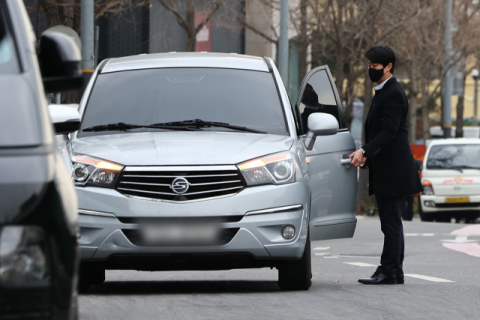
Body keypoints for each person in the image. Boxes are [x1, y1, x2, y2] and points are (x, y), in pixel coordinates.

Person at [349, 46, 423, 285]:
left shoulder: (392, 93)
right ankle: (394, 270)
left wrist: (364, 151)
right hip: (388, 166)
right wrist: (370, 156)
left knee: (390, 223)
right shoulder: (383, 90)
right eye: (369, 66)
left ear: (388, 66)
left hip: (394, 168)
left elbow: (389, 132)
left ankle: (388, 271)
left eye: (374, 67)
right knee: (391, 222)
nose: (370, 70)